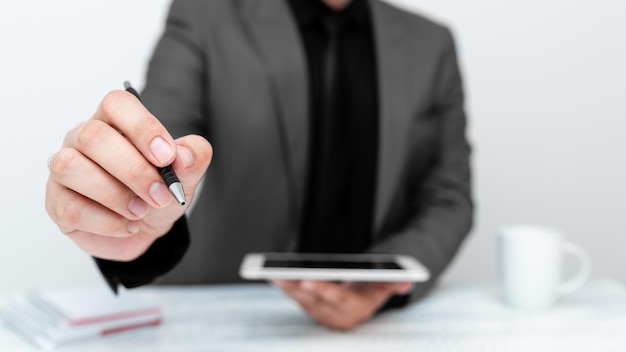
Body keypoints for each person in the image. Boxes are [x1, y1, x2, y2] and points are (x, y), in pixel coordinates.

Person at [45, 0, 472, 331]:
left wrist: (384, 282)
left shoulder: (431, 44)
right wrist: (131, 209)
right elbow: (163, 144)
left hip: (378, 331)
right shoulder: (206, 15)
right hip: (231, 319)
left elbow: (448, 199)